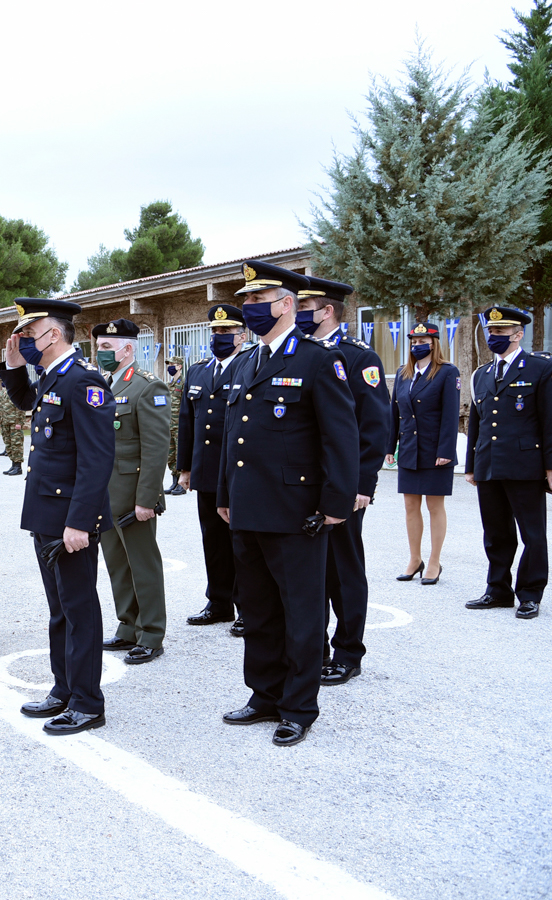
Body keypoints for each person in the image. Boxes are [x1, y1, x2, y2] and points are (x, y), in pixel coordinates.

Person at [216, 261, 358, 747]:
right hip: (248, 509)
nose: (249, 309)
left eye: (258, 301)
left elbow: (340, 438)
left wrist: (336, 504)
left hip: (298, 512)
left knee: (301, 613)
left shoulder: (318, 360)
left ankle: (298, 707)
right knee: (256, 609)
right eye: (247, 302)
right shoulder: (245, 361)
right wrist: (224, 496)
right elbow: (234, 439)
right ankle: (264, 694)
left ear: (287, 305)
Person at [0, 297, 116, 735]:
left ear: (53, 334)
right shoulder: (52, 377)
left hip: (70, 519)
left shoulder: (84, 382)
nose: (24, 340)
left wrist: (80, 522)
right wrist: (13, 365)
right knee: (59, 609)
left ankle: (87, 703)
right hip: (48, 514)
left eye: (29, 334)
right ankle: (63, 688)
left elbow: (96, 460)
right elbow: (27, 401)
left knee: (80, 609)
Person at [297, 277, 391, 685]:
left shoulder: (357, 358)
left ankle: (348, 651)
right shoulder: (301, 354)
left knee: (343, 569)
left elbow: (374, 427)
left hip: (343, 486)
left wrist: (361, 486)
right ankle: (312, 650)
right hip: (303, 484)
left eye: (305, 307)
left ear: (327, 311)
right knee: (308, 573)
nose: (298, 314)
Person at [93, 319, 172, 664]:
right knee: (117, 564)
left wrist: (146, 500)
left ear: (127, 350)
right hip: (105, 493)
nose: (100, 354)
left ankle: (151, 633)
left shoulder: (147, 387)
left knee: (143, 564)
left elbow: (156, 450)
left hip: (132, 495)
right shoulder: (103, 386)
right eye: (98, 348)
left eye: (107, 348)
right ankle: (128, 626)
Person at [465, 306, 552, 619]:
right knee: (496, 533)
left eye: (501, 332)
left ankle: (529, 594)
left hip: (525, 464)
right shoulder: (482, 374)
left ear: (519, 334)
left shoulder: (540, 369)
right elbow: (477, 420)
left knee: (532, 534)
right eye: (491, 332)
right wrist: (472, 464)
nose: (494, 337)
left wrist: (550, 467)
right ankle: (498, 590)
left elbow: (549, 420)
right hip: (490, 464)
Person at [178, 304, 252, 632]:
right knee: (213, 539)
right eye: (216, 332)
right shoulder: (197, 371)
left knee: (243, 541)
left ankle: (249, 607)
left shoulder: (250, 367)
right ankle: (219, 602)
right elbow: (187, 422)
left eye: (226, 331)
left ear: (242, 335)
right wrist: (185, 467)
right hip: (207, 470)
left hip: (238, 471)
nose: (219, 337)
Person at [387, 322, 460, 588]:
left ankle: (434, 561)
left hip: (434, 450)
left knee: (434, 506)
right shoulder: (403, 373)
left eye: (423, 341)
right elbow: (394, 413)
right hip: (408, 449)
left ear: (434, 343)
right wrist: (389, 446)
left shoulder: (447, 372)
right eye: (414, 342)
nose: (418, 346)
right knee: (410, 506)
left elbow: (451, 416)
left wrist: (446, 451)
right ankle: (414, 558)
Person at [166, 355, 187, 495]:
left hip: (180, 425)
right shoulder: (169, 385)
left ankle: (182, 483)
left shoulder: (184, 382)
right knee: (170, 454)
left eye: (172, 364)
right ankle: (174, 480)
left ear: (179, 366)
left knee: (180, 453)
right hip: (169, 424)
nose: (170, 367)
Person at [0, 384, 25, 475]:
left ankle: (18, 467)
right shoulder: (4, 391)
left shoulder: (17, 390)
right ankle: (13, 464)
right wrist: (0, 419)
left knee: (16, 444)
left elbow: (20, 407)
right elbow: (0, 406)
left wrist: (19, 422)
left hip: (14, 422)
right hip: (5, 421)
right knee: (8, 444)